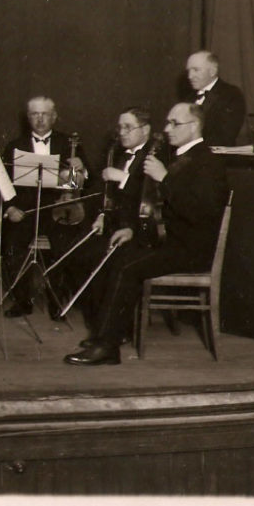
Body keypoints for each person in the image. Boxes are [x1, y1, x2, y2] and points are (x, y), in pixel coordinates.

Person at [64, 102, 229, 366]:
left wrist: (164, 179)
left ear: (194, 126)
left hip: (189, 248)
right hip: (166, 242)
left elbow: (200, 212)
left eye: (175, 123)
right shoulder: (177, 157)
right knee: (115, 255)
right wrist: (132, 228)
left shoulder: (207, 162)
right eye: (168, 122)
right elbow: (154, 205)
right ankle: (109, 335)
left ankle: (107, 346)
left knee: (126, 265)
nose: (167, 128)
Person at [73, 107, 161, 337]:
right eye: (120, 127)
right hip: (119, 227)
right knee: (85, 255)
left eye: (128, 127)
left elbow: (151, 197)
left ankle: (115, 332)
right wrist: (103, 215)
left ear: (145, 130)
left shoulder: (155, 156)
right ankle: (99, 329)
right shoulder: (121, 155)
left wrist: (122, 178)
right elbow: (109, 197)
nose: (121, 133)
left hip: (142, 232)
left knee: (110, 262)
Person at [1, 96, 91, 319]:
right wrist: (10, 208)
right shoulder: (14, 146)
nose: (40, 119)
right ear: (28, 117)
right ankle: (22, 301)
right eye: (34, 114)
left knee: (64, 245)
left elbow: (80, 182)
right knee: (12, 244)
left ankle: (56, 301)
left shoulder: (69, 143)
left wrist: (81, 169)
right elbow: (3, 182)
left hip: (58, 210)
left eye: (45, 114)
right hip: (26, 211)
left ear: (54, 117)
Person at [185, 50, 246, 146]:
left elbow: (225, 137)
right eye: (188, 71)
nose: (190, 76)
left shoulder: (231, 94)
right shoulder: (189, 98)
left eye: (196, 70)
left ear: (212, 71)